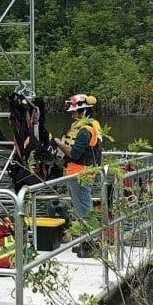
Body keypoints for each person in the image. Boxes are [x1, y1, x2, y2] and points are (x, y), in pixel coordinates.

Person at [52, 94, 103, 224]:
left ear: (84, 111)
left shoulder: (85, 131)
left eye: (74, 111)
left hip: (80, 175)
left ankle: (91, 239)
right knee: (83, 207)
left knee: (84, 210)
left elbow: (74, 154)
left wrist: (59, 143)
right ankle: (89, 237)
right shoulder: (92, 126)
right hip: (83, 173)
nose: (72, 114)